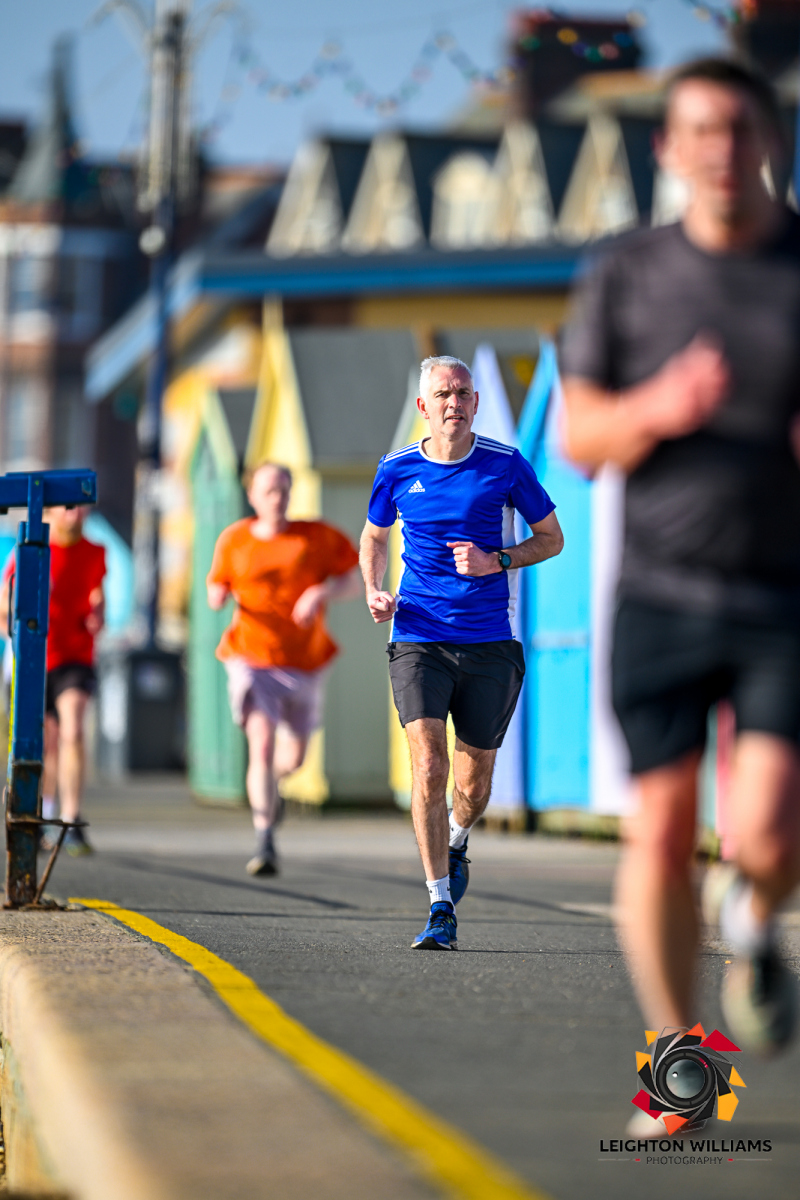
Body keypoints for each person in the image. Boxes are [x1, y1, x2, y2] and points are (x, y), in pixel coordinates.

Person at [560, 58, 800, 1073]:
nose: (720, 150)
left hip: (781, 596)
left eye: (738, 129)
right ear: (666, 148)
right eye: (698, 130)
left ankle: (751, 913)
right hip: (657, 589)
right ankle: (673, 1066)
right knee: (657, 832)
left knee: (770, 836)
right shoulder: (622, 274)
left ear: (768, 143)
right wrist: (655, 408)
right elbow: (577, 436)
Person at [360, 356, 563, 950]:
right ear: (424, 407)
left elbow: (552, 538)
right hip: (418, 635)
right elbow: (374, 535)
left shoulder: (505, 465)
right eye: (443, 393)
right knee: (429, 764)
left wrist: (496, 560)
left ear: (476, 403)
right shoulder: (396, 470)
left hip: (489, 643)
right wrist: (376, 587)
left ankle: (456, 838)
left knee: (473, 784)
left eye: (463, 393)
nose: (454, 402)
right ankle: (439, 903)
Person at [207, 462, 361, 876]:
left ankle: (270, 788)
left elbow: (356, 578)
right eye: (269, 491)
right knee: (260, 744)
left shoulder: (315, 536)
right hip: (251, 656)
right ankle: (265, 840)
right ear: (253, 496)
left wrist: (321, 591)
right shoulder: (235, 539)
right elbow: (215, 584)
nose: (278, 498)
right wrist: (218, 595)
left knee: (291, 760)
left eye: (284, 490)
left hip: (306, 662)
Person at [2, 505, 105, 856]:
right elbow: (6, 601)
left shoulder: (95, 551)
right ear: (48, 512)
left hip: (76, 656)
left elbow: (96, 592)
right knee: (46, 742)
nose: (75, 517)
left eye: (81, 510)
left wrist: (97, 612)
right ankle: (43, 813)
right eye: (67, 510)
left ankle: (71, 817)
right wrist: (12, 634)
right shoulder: (30, 550)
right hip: (35, 657)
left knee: (73, 729)